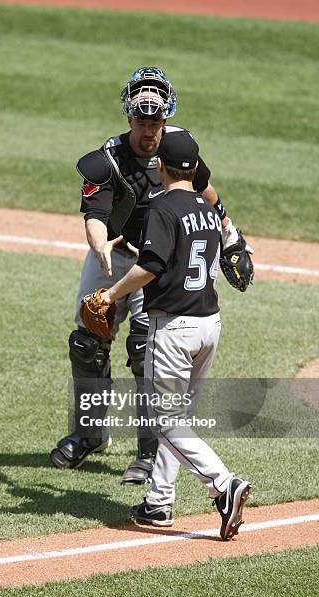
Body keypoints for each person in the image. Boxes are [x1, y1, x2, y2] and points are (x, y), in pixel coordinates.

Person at [50, 67, 245, 485]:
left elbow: (208, 193)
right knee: (87, 340)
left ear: (165, 118)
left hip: (159, 262)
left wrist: (232, 236)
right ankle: (89, 435)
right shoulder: (109, 160)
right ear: (129, 118)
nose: (149, 131)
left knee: (145, 349)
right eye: (142, 121)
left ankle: (149, 449)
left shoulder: (178, 148)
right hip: (115, 254)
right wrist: (100, 245)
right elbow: (95, 215)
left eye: (156, 121)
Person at [99, 129, 251, 540]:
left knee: (165, 420)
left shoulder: (162, 209)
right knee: (179, 420)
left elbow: (150, 265)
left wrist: (111, 294)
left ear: (160, 166)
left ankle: (224, 485)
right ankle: (158, 502)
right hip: (209, 326)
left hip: (175, 329)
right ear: (196, 168)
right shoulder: (208, 209)